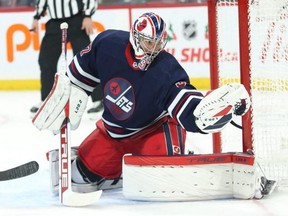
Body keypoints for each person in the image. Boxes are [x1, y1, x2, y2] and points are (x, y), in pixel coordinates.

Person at [32, 12, 274, 199]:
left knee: (163, 176)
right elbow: (79, 76)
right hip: (114, 132)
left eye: (159, 43)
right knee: (80, 179)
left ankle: (175, 155)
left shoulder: (166, 69)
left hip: (154, 129)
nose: (154, 49)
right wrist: (68, 96)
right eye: (149, 43)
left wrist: (209, 114)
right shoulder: (108, 45)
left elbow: (188, 109)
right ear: (135, 38)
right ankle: (122, 171)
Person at [30, 0, 103, 117]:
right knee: (46, 61)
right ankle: (47, 101)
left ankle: (99, 100)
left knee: (86, 61)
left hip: (77, 20)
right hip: (54, 23)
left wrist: (88, 15)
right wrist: (36, 17)